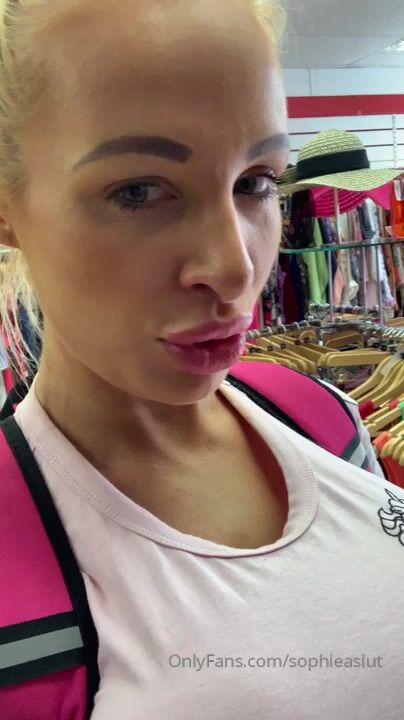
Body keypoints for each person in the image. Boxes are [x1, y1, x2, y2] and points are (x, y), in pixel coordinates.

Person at [0, 0, 402, 718]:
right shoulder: (17, 564)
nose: (235, 267)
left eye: (256, 182)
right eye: (139, 191)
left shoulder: (322, 417)